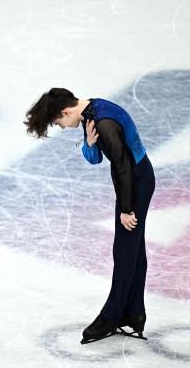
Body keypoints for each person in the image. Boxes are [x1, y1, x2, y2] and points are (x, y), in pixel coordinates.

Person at [23, 88, 155, 344]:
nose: (62, 126)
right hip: (133, 181)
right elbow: (94, 159)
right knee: (134, 249)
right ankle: (134, 313)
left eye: (59, 122)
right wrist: (89, 143)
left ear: (66, 111)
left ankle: (111, 316)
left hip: (135, 183)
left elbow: (123, 166)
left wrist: (127, 210)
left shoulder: (103, 123)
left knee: (125, 250)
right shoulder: (90, 113)